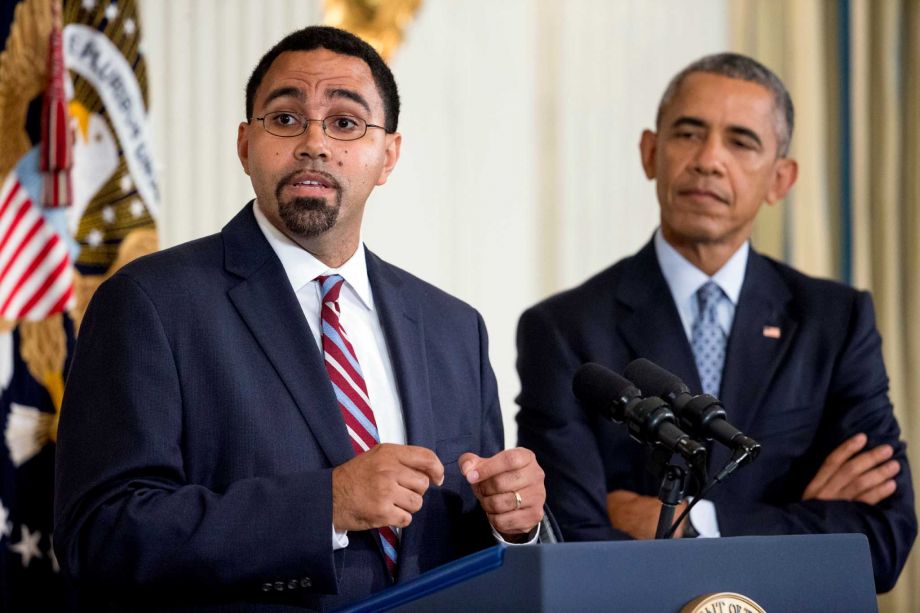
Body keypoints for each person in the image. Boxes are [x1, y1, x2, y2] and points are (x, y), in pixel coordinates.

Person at [54, 26, 546, 610]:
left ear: (388, 155)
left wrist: (514, 524)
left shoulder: (453, 328)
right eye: (286, 119)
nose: (314, 142)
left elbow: (479, 546)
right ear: (244, 145)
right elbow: (100, 534)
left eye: (344, 122)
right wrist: (327, 505)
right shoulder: (151, 303)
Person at [515, 52, 915, 592]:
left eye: (741, 142)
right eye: (688, 133)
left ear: (781, 179)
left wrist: (699, 523)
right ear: (650, 152)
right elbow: (573, 545)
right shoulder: (564, 329)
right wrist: (806, 518)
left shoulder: (836, 322)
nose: (708, 159)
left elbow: (882, 543)